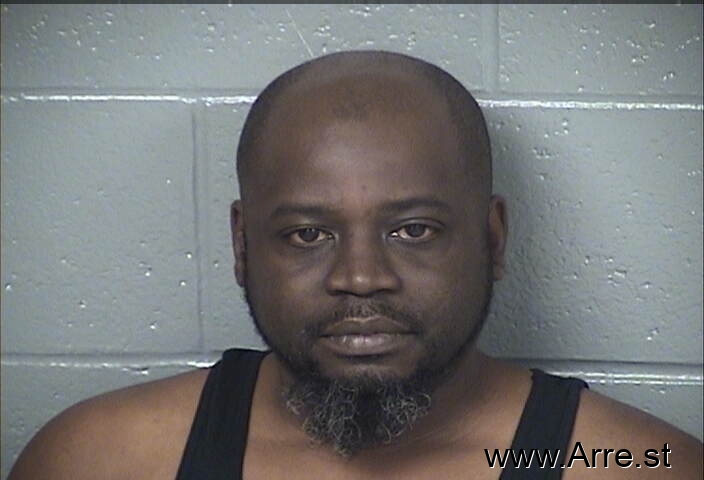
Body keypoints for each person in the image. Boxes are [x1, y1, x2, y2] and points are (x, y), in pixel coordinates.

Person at [8, 50, 702, 480]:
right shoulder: (98, 460)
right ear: (243, 246)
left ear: (492, 239)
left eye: (414, 230)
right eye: (307, 234)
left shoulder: (632, 467)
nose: (361, 278)